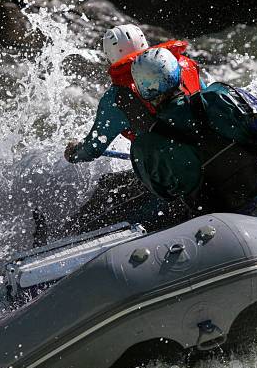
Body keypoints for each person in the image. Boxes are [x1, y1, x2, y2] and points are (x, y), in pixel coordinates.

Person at [65, 47, 257, 226]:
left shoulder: (145, 147)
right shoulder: (222, 97)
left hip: (219, 224)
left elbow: (164, 194)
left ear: (142, 90)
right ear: (176, 73)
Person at [60, 24, 204, 233]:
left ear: (110, 58)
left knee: (107, 202)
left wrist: (74, 153)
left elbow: (92, 149)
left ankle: (69, 235)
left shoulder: (117, 99)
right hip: (205, 157)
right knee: (109, 183)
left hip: (176, 180)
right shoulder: (182, 64)